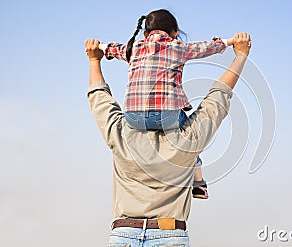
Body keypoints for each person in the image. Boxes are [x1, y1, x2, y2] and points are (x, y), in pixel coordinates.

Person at [85, 32, 251, 246]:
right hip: (169, 234)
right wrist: (240, 56)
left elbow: (99, 98)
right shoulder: (189, 139)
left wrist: (94, 60)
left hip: (123, 234)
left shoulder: (121, 135)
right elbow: (218, 97)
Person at [99, 9, 234, 199]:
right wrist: (229, 42)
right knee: (192, 136)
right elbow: (206, 47)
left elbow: (111, 48)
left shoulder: (134, 47)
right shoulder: (177, 47)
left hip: (133, 117)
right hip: (167, 116)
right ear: (175, 32)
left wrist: (98, 46)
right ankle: (198, 183)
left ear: (145, 34)